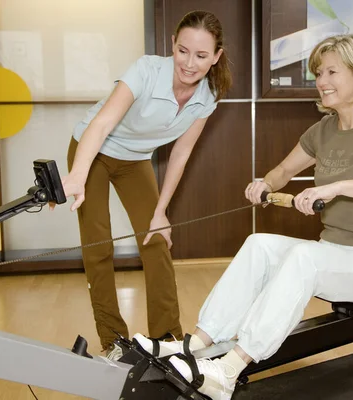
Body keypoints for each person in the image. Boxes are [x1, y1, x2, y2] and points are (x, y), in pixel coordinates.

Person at [133, 33, 353, 400]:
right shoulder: (323, 131)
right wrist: (263, 183)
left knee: (305, 258)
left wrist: (335, 187)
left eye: (331, 71)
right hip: (335, 253)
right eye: (318, 72)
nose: (321, 81)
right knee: (260, 245)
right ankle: (197, 344)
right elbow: (282, 172)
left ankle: (230, 369)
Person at [58, 10, 232, 360]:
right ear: (172, 44)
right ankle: (113, 342)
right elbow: (104, 122)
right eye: (182, 50)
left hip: (134, 160)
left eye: (201, 55)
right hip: (92, 150)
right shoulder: (146, 71)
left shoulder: (209, 93)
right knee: (99, 245)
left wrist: (161, 211)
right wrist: (78, 173)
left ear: (216, 56)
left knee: (156, 240)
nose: (189, 62)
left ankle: (169, 339)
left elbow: (181, 153)